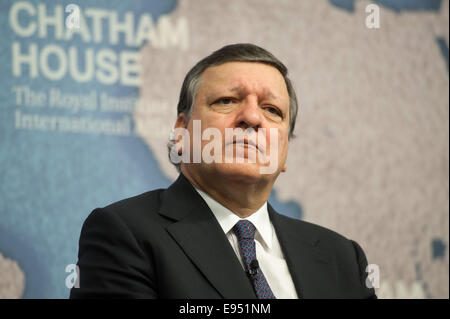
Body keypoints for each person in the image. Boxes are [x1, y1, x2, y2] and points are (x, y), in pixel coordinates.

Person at [70, 43, 377, 299]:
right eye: (227, 101)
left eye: (272, 110)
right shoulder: (125, 234)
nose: (252, 117)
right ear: (182, 132)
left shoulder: (342, 259)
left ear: (284, 152)